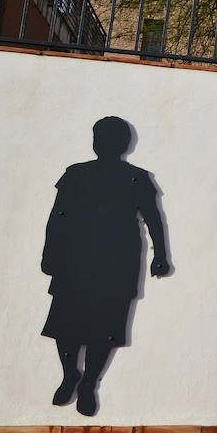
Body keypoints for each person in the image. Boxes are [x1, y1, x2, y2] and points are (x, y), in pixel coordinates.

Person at [42, 116, 169, 417]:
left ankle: (88, 382)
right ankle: (70, 373)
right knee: (65, 320)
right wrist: (49, 252)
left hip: (118, 260)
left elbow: (153, 219)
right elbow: (57, 215)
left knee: (107, 325)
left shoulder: (137, 178)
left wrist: (160, 255)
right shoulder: (75, 174)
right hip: (75, 258)